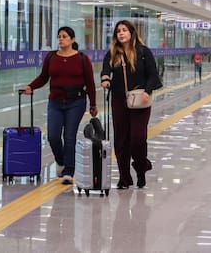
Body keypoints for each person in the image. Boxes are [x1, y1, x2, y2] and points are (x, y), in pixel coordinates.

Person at [24, 26, 97, 184]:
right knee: (53, 136)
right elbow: (43, 77)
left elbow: (90, 83)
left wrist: (93, 104)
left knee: (69, 136)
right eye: (59, 36)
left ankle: (69, 172)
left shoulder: (82, 59)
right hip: (55, 102)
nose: (61, 39)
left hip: (76, 102)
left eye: (64, 36)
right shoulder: (51, 57)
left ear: (72, 39)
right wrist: (31, 86)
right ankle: (62, 161)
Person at [100, 20, 161, 189]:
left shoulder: (143, 52)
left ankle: (141, 168)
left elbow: (153, 75)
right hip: (119, 99)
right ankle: (124, 177)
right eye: (118, 31)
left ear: (131, 32)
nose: (121, 33)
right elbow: (106, 69)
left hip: (140, 99)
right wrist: (105, 78)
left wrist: (148, 92)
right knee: (121, 139)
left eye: (124, 30)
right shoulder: (113, 54)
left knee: (137, 138)